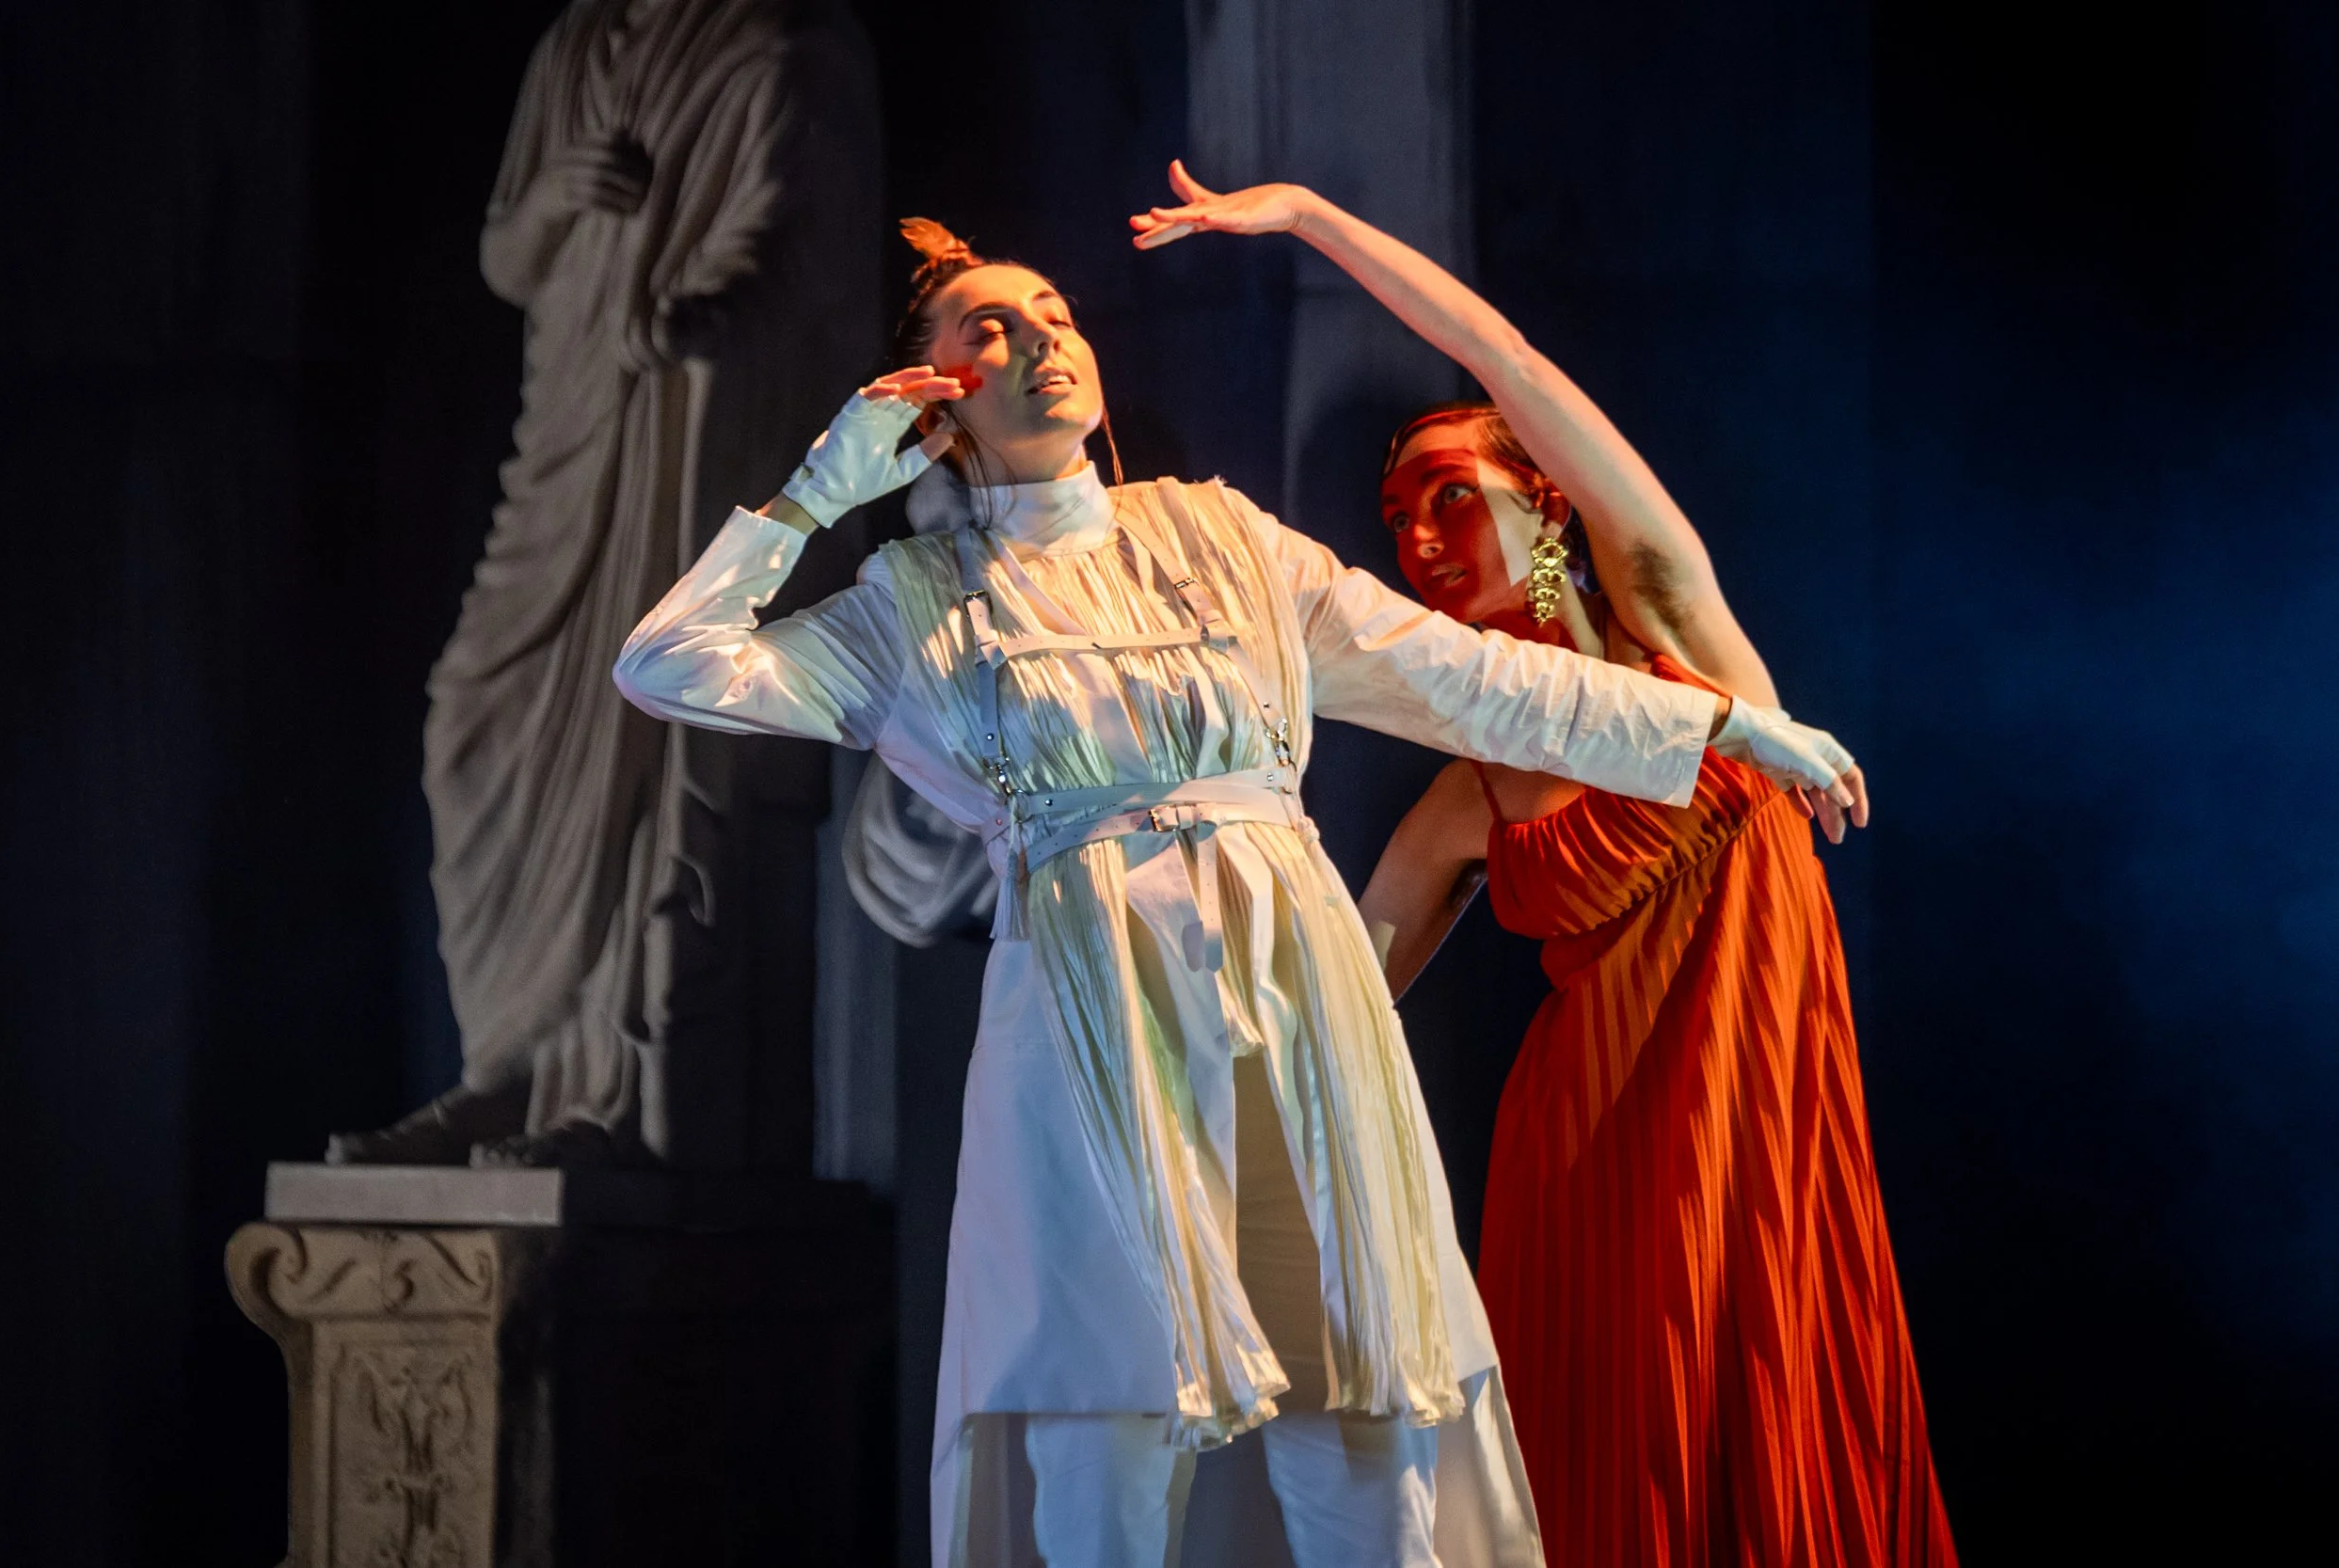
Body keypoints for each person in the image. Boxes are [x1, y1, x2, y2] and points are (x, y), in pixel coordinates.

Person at [614, 204, 1861, 1566]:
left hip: (1297, 1006)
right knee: (1110, 1426)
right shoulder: (913, 603)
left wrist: (1727, 725)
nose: (1042, 337)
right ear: (931, 401)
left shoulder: (1226, 539)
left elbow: (1478, 682)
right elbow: (669, 665)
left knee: (1363, 1405)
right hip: (1091, 1034)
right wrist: (817, 490)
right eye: (991, 326)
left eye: (1056, 312)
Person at [1129, 164, 1950, 1562]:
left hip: (1748, 1113)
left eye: (1451, 497)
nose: (1421, 538)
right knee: (1596, 1462)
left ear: (1551, 506)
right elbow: (1341, 985)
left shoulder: (1668, 631)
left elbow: (1503, 358)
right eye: (1395, 522)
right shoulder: (1470, 792)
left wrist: (1318, 224)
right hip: (1584, 1154)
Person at [329, 0, 881, 1167]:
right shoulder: (571, 50)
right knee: (472, 721)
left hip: (683, 444)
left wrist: (707, 315)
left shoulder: (778, 49)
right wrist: (553, 200)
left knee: (656, 741)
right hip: (571, 446)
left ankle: (624, 1097)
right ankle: (506, 1067)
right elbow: (507, 258)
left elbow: (799, 246)